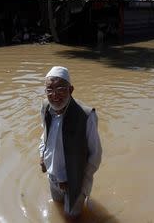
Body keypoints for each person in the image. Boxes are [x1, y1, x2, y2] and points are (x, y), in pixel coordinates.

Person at [39, 66, 102, 218]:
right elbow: (44, 135)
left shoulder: (86, 115)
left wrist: (77, 181)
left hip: (74, 182)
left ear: (71, 89)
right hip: (52, 176)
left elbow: (96, 155)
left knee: (72, 217)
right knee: (57, 207)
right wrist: (42, 155)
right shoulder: (46, 108)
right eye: (50, 90)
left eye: (60, 89)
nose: (54, 95)